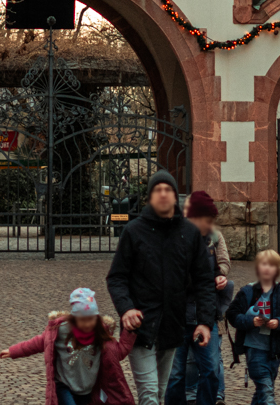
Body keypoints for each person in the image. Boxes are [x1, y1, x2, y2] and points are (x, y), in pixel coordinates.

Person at [106, 170, 215, 405]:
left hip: (172, 326)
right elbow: (116, 277)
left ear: (176, 196)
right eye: (158, 190)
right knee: (149, 397)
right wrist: (126, 309)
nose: (163, 194)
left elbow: (204, 280)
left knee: (160, 392)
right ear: (149, 197)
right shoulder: (134, 231)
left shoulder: (190, 234)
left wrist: (205, 322)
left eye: (168, 189)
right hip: (141, 326)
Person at [0, 286, 136, 405]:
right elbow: (38, 343)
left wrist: (130, 330)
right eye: (83, 319)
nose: (87, 324)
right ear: (74, 318)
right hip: (64, 386)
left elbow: (119, 352)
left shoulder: (101, 335)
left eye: (91, 319)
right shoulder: (61, 331)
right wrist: (13, 351)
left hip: (87, 390)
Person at [166, 190, 231, 405]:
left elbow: (209, 279)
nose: (210, 225)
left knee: (211, 370)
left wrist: (217, 278)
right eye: (207, 220)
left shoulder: (209, 242)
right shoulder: (174, 240)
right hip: (178, 318)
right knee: (175, 375)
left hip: (204, 316)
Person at [227, 249, 280, 405]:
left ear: (277, 270)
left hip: (275, 351)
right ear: (258, 268)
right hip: (254, 349)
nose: (267, 268)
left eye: (272, 265)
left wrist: (279, 322)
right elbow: (232, 314)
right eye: (264, 264)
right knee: (266, 391)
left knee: (263, 391)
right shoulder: (247, 292)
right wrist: (250, 321)